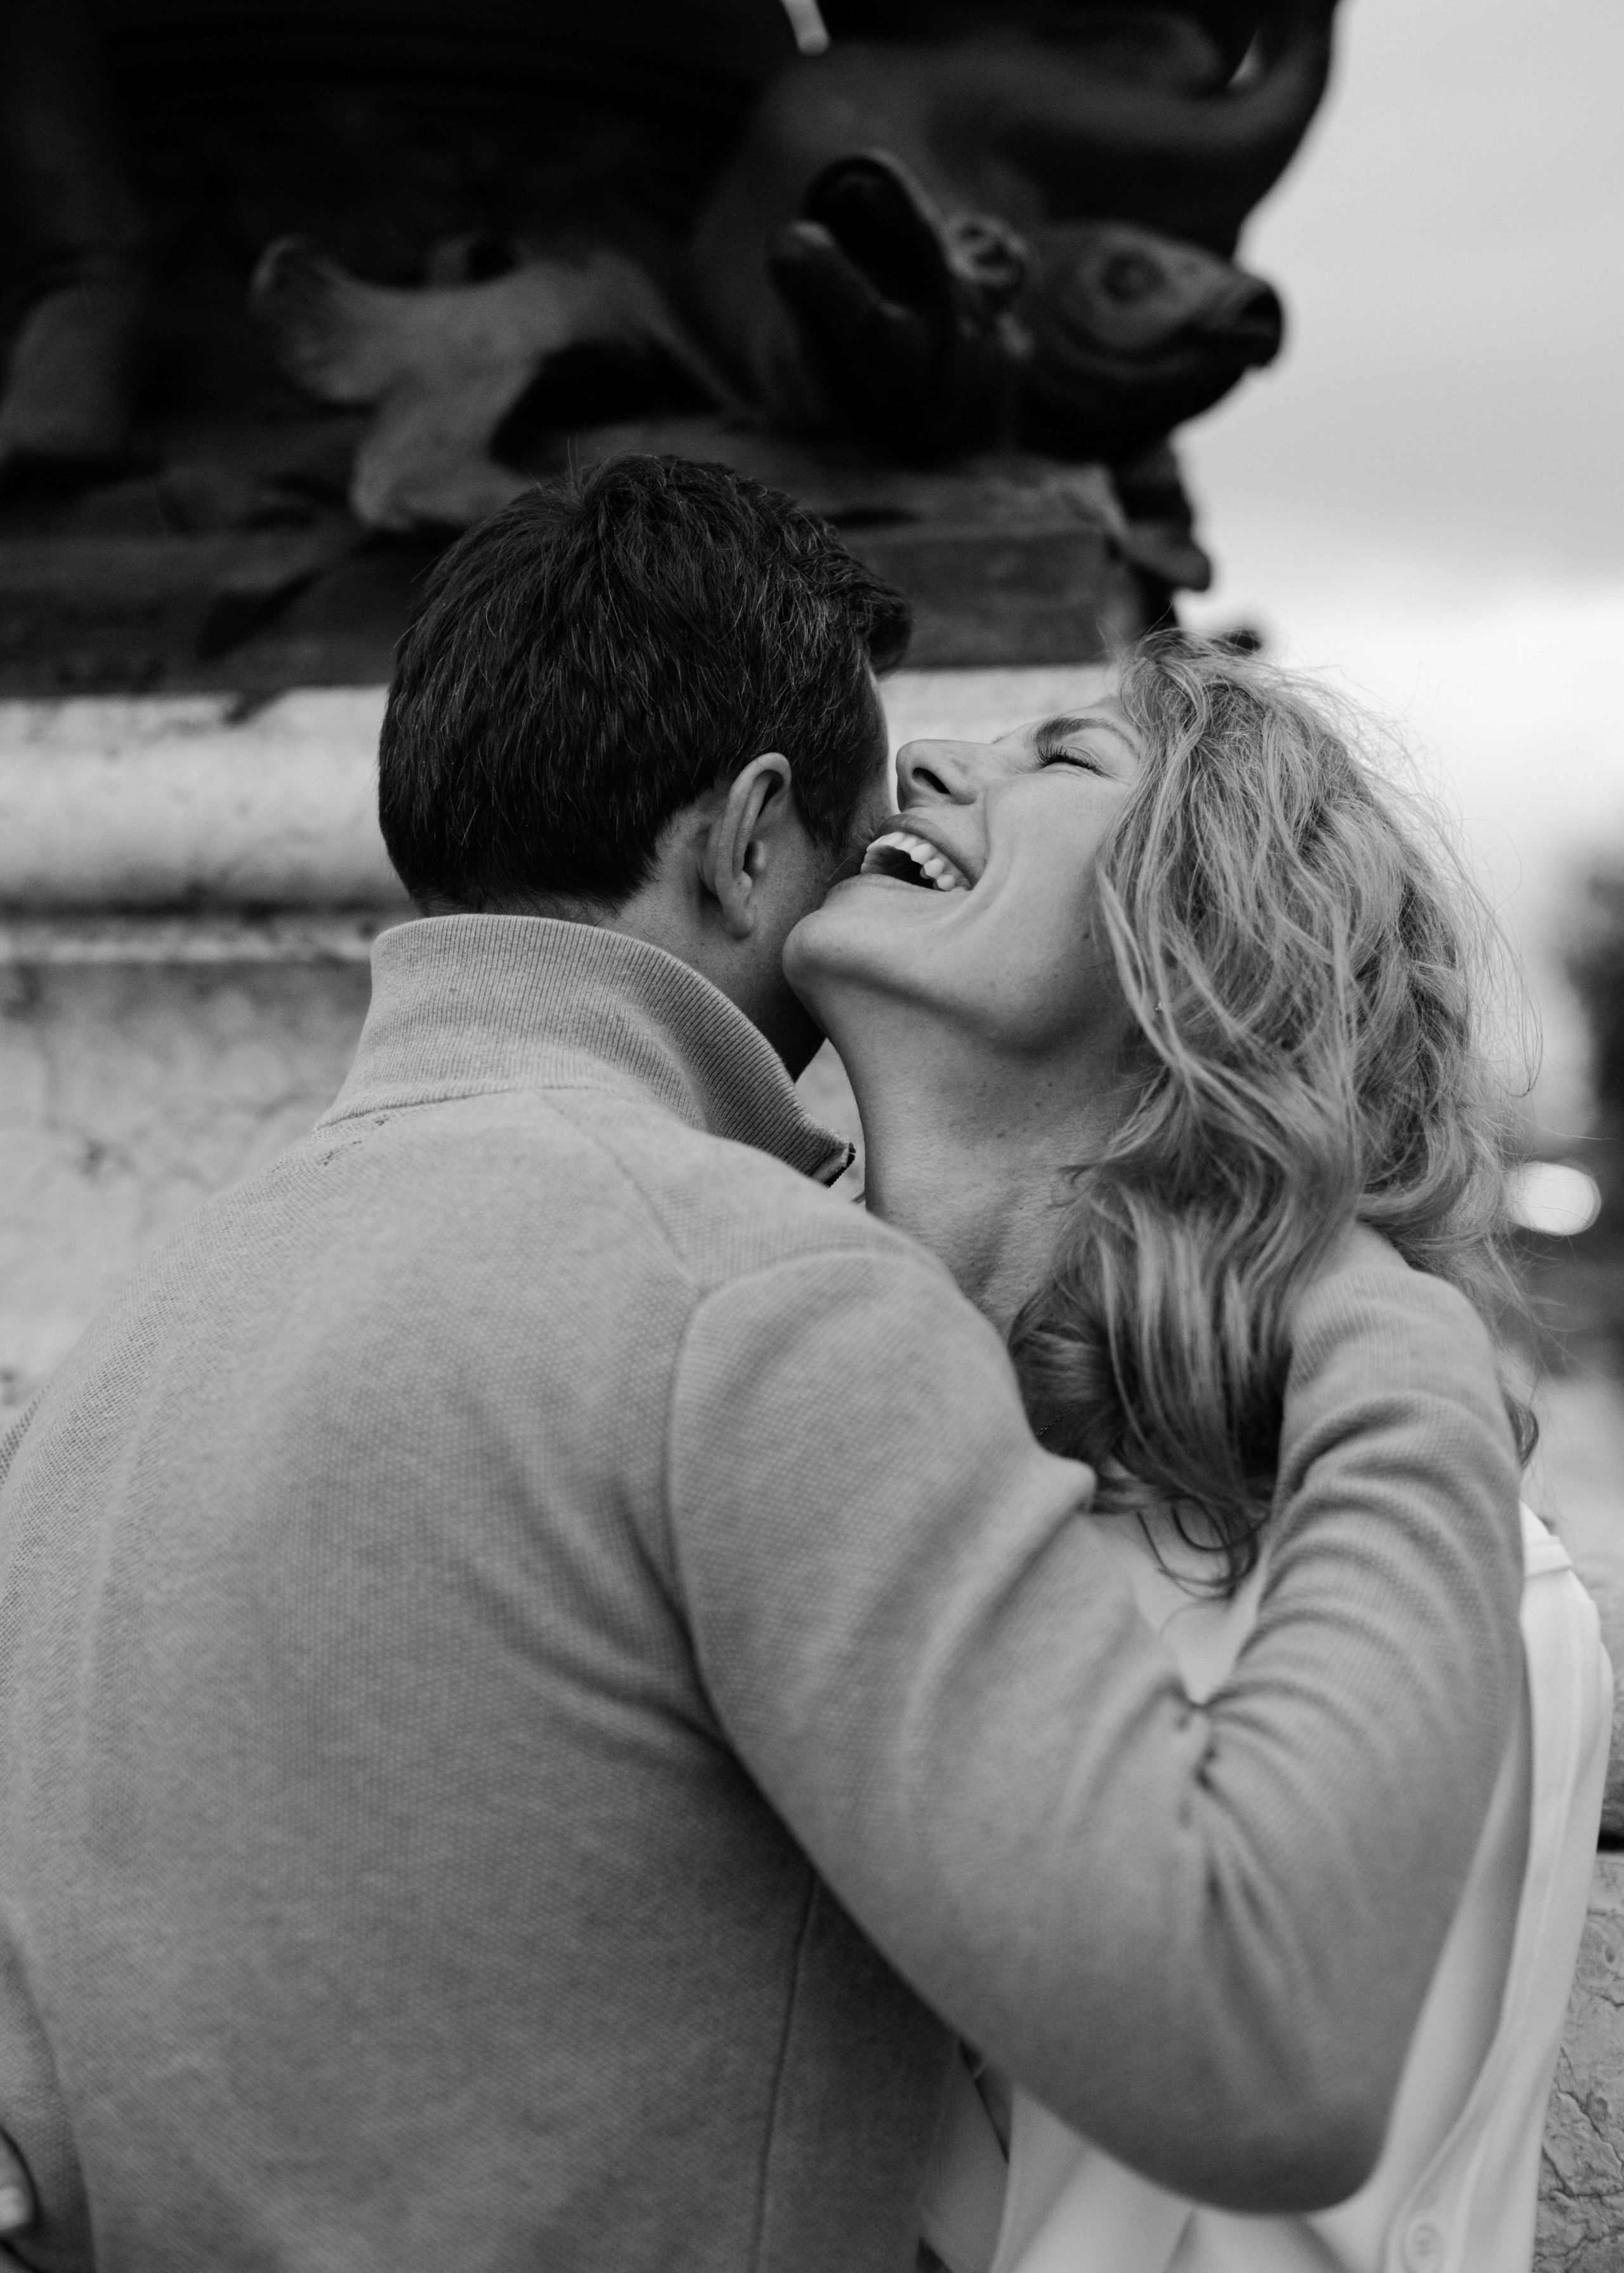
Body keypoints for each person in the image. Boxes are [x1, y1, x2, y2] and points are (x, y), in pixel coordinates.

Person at [0, 457, 1526, 2273]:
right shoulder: (753, 1303)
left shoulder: (126, 1360)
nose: (942, 796)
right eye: (863, 817)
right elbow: (1257, 2044)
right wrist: (1406, 1352)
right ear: (746, 840)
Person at [782, 634, 1609, 2273]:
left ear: (1208, 959)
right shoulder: (758, 1432)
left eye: (1067, 762)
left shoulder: (1430, 1573)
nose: (923, 767)